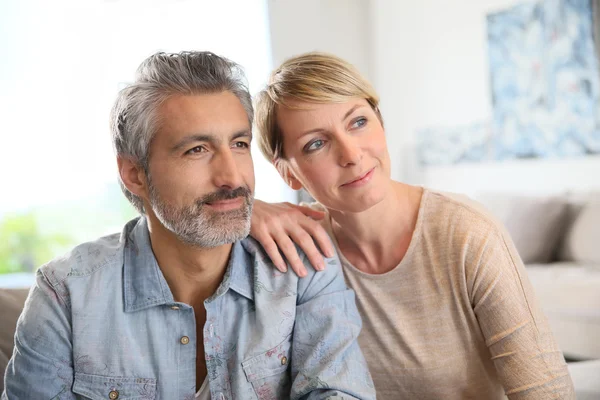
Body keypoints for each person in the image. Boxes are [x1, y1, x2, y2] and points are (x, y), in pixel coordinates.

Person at [2, 51, 375, 400]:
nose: (232, 176)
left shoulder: (303, 268)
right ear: (135, 175)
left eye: (240, 144)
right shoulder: (64, 295)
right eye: (197, 150)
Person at [251, 52, 575, 399]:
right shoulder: (298, 245)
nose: (351, 154)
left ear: (381, 121)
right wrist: (245, 212)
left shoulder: (468, 233)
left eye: (358, 122)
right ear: (287, 172)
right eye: (316, 143)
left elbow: (546, 392)